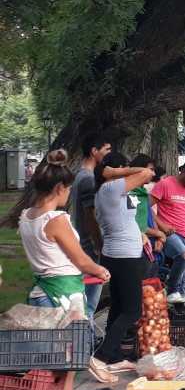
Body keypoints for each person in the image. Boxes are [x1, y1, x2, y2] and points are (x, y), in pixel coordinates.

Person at [3, 150, 114, 382]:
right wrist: (101, 270)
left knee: (46, 365)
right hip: (64, 297)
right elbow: (81, 260)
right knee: (68, 366)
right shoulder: (56, 220)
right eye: (69, 188)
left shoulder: (26, 216)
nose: (69, 193)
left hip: (40, 293)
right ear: (59, 188)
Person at [92, 152, 154, 373]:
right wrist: (112, 172)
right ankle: (101, 356)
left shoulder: (115, 192)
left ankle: (114, 356)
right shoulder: (109, 188)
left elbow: (128, 216)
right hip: (123, 257)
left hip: (119, 254)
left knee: (118, 308)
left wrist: (141, 234)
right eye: (122, 167)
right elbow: (146, 172)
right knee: (132, 311)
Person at [151, 158, 185, 303]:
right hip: (171, 233)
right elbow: (147, 208)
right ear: (183, 171)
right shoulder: (165, 184)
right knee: (184, 255)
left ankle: (178, 303)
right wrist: (161, 226)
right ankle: (172, 289)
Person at [70, 135, 111, 320]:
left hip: (85, 245)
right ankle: (84, 344)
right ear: (94, 151)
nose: (108, 154)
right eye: (106, 150)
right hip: (90, 247)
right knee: (89, 305)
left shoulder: (81, 175)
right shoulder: (87, 179)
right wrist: (99, 244)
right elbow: (90, 216)